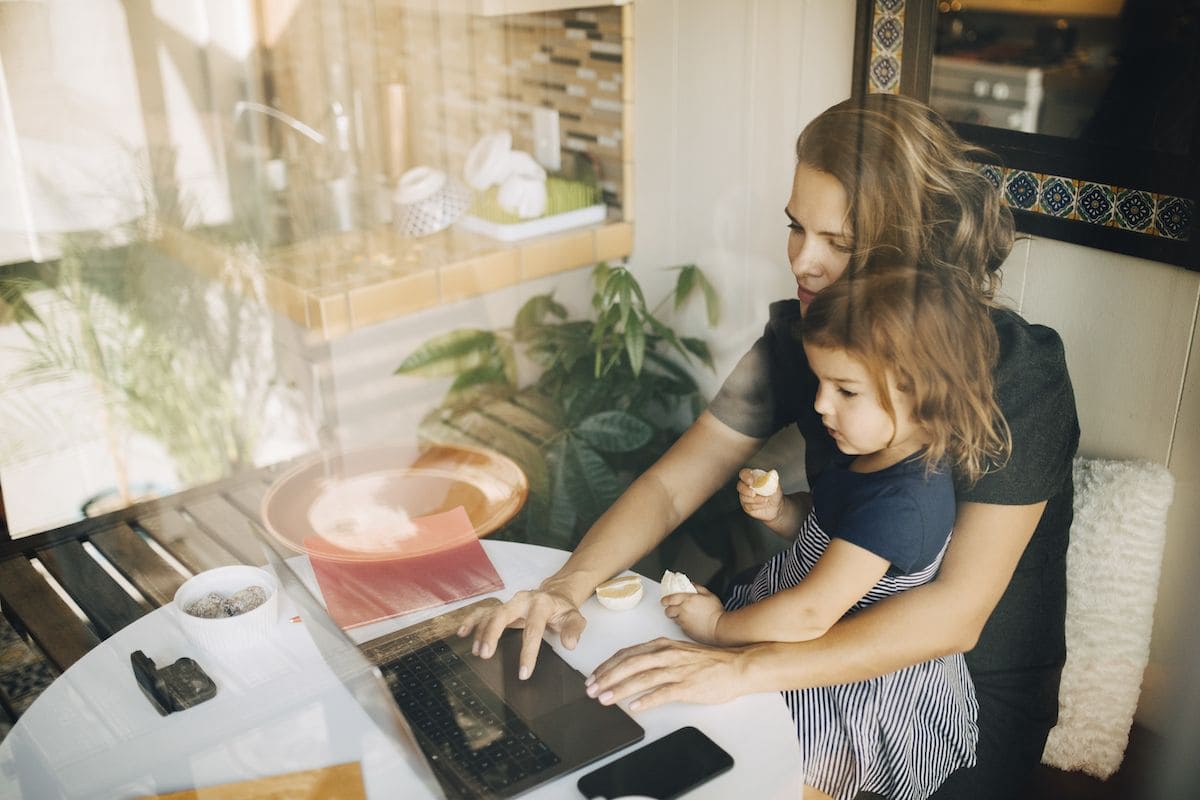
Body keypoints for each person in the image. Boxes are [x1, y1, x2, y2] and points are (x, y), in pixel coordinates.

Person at [458, 93, 1079, 799]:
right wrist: (562, 587)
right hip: (804, 645)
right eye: (796, 228)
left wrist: (740, 668)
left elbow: (955, 615)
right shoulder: (803, 338)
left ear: (914, 245)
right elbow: (674, 484)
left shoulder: (1021, 373)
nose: (804, 263)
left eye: (840, 243)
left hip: (950, 705)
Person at [663, 267, 1008, 799]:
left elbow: (810, 613)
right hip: (801, 629)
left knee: (775, 773)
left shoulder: (903, 503)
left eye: (846, 390)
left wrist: (717, 627)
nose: (822, 404)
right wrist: (781, 512)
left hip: (846, 682)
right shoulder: (873, 455)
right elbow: (825, 533)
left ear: (924, 395)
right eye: (821, 382)